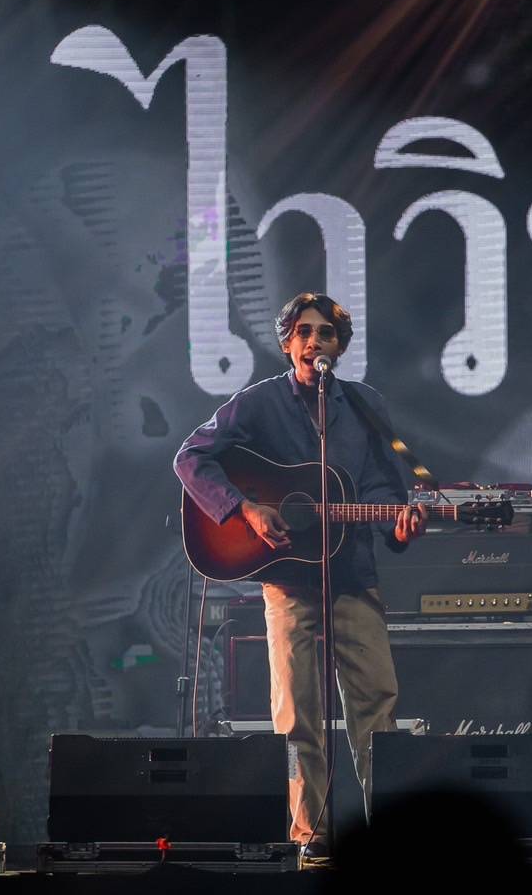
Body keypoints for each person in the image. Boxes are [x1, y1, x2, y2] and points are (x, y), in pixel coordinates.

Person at [174, 291, 426, 863]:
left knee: (377, 709)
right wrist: (244, 509)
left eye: (326, 333)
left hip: (353, 576)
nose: (315, 342)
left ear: (340, 345)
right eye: (304, 332)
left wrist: (398, 525)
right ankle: (310, 836)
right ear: (288, 343)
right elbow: (191, 456)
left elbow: (382, 487)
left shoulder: (364, 405)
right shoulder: (258, 403)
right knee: (296, 718)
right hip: (288, 582)